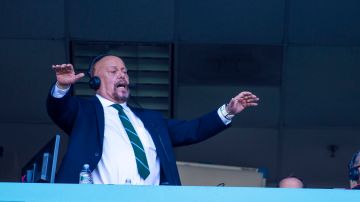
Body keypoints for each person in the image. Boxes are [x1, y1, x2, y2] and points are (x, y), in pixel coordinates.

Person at [47, 54, 259, 185]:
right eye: (113, 71)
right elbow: (58, 108)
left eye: (125, 71)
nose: (122, 75)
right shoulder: (83, 111)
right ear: (94, 81)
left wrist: (228, 111)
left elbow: (193, 129)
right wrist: (63, 87)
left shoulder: (150, 120)